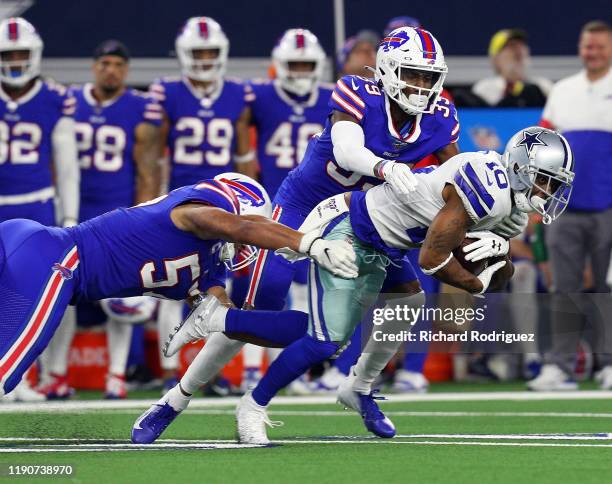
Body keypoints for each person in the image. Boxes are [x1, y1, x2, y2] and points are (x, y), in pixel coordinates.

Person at [162, 127, 574, 444]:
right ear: (521, 168)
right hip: (353, 226)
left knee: (407, 303)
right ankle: (251, 404)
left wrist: (496, 262)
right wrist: (476, 279)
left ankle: (357, 388)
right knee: (326, 340)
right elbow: (433, 260)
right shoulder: (488, 189)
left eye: (554, 184)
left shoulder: (513, 211)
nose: (549, 192)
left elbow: (499, 276)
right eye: (545, 180)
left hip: (390, 240)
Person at [0, 172, 356, 402]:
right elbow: (241, 229)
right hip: (51, 256)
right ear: (235, 208)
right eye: (248, 221)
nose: (249, 245)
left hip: (41, 256)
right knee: (6, 371)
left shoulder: (208, 270)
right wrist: (309, 243)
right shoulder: (195, 211)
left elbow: (235, 328)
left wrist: (316, 336)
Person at [38, 40, 163, 400]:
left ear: (126, 70)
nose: (112, 70)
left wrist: (144, 216)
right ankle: (56, 375)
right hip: (72, 211)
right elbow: (52, 160)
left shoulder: (139, 107)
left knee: (120, 297)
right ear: (94, 66)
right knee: (60, 293)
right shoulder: (69, 102)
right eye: (105, 63)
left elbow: (147, 169)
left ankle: (116, 376)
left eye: (119, 65)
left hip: (115, 216)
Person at [148, 17, 258, 391]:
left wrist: (247, 207)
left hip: (221, 205)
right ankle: (167, 373)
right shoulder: (167, 92)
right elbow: (153, 156)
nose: (206, 58)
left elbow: (244, 157)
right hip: (178, 205)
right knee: (170, 285)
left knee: (219, 289)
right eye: (199, 52)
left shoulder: (238, 95)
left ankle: (208, 374)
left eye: (211, 51)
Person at [241, 28, 332, 391]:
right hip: (277, 201)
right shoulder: (261, 96)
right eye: (292, 64)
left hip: (320, 204)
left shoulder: (334, 97)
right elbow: (236, 124)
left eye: (306, 64)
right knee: (262, 285)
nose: (299, 71)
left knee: (306, 289)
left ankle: (290, 369)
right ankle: (251, 367)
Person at [528, 20, 612, 391]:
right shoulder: (562, 91)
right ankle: (560, 367)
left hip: (608, 209)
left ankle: (608, 364)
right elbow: (544, 151)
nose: (591, 52)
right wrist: (537, 200)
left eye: (598, 46)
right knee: (564, 288)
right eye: (586, 46)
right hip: (563, 210)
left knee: (607, 290)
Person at [0, 17, 79, 402]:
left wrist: (69, 216)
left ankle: (29, 377)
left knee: (36, 295)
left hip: (37, 205)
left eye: (20, 54)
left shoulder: (54, 97)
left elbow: (67, 165)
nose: (14, 61)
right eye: (7, 54)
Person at [472, 29, 552, 107]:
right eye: (511, 46)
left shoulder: (543, 86)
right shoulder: (484, 89)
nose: (518, 50)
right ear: (496, 58)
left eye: (522, 45)